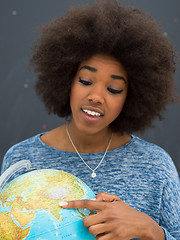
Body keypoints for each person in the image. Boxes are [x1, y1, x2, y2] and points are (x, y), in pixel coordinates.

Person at [1, 0, 180, 239]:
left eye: (114, 89)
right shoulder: (20, 158)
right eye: (86, 81)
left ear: (131, 97)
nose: (96, 97)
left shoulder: (157, 166)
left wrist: (152, 230)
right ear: (67, 81)